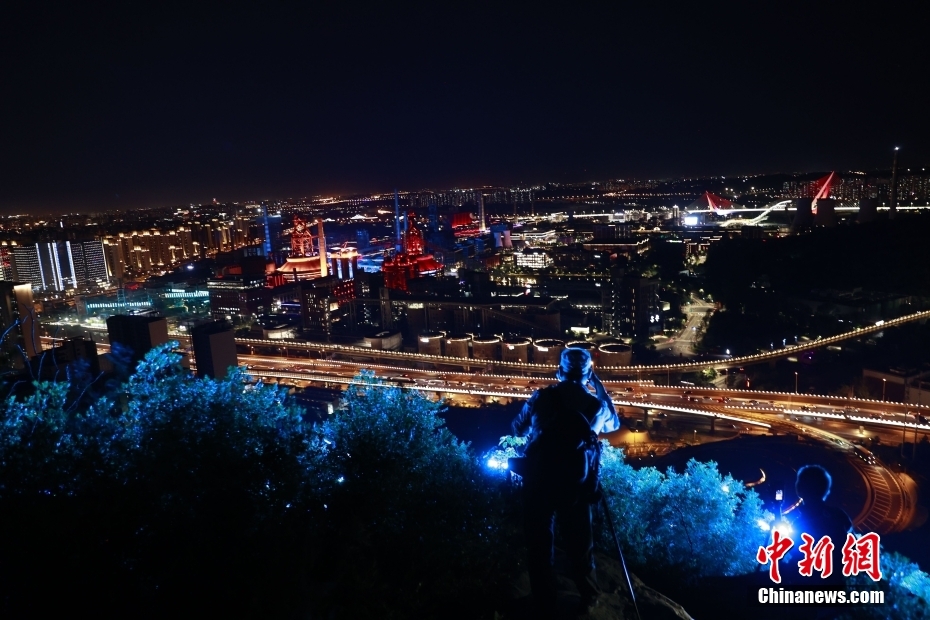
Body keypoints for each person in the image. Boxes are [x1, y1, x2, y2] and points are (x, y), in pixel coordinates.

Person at [511, 348, 620, 614]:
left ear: (559, 371)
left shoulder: (542, 398)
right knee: (581, 549)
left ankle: (544, 604)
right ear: (589, 374)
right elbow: (614, 424)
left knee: (539, 548)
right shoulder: (596, 406)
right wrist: (600, 389)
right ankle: (589, 601)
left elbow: (517, 428)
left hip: (538, 482)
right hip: (576, 485)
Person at [785, 464, 853, 586]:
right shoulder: (839, 515)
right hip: (836, 585)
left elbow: (796, 555)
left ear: (800, 488)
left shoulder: (800, 522)